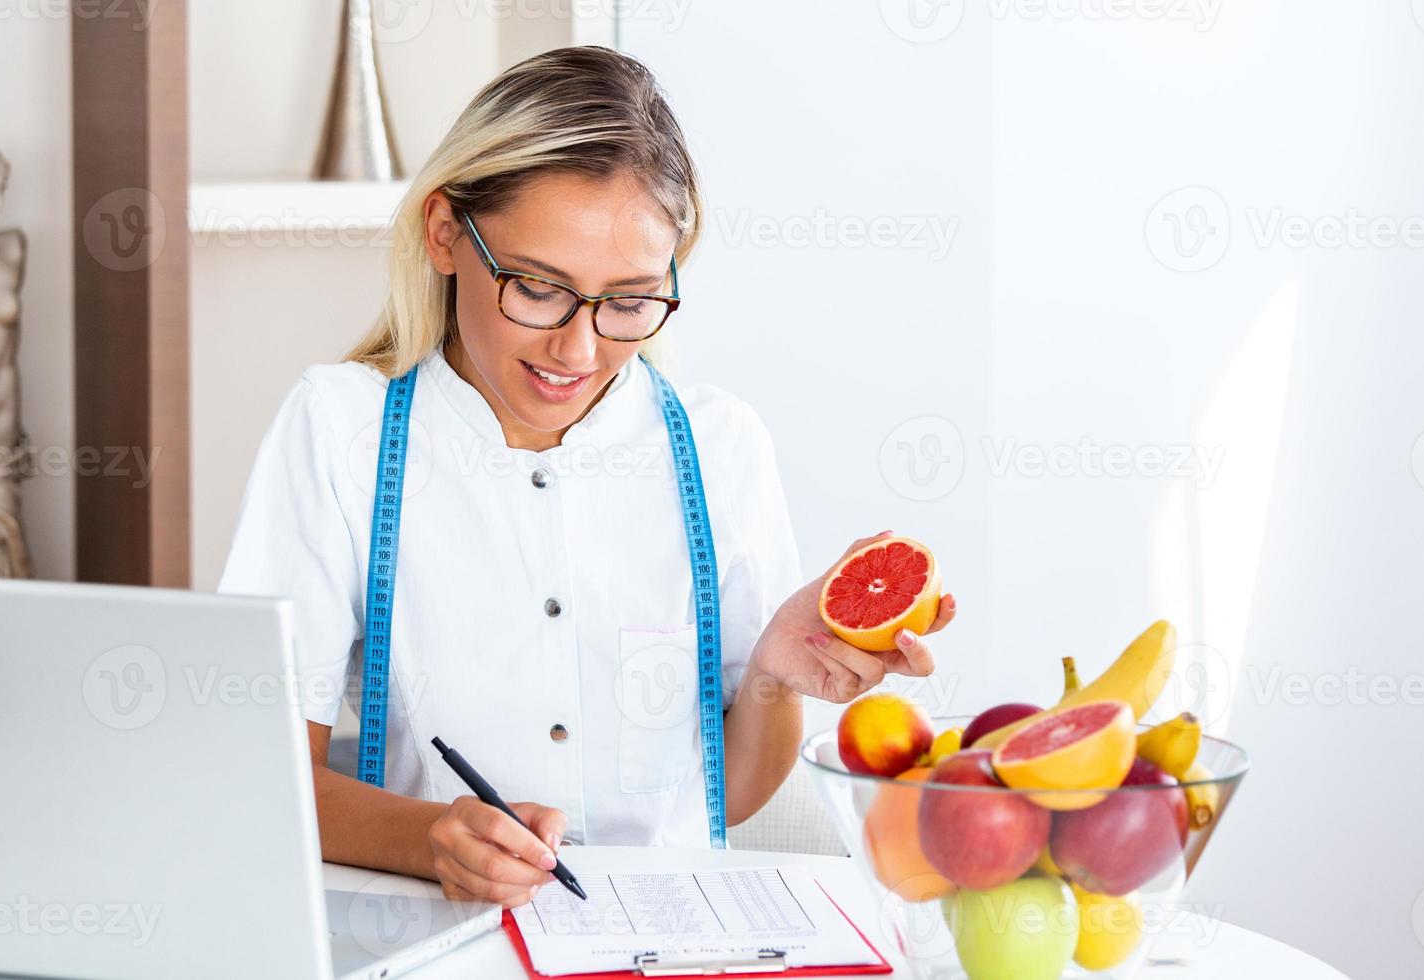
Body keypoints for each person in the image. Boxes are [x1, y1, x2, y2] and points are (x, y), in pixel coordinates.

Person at [219, 47, 955, 909]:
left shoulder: (721, 449)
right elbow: (260, 773)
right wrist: (429, 838)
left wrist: (771, 678)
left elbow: (728, 795)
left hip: (674, 941)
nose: (577, 350)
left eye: (630, 301)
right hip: (438, 940)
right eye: (537, 287)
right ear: (447, 234)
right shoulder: (341, 430)